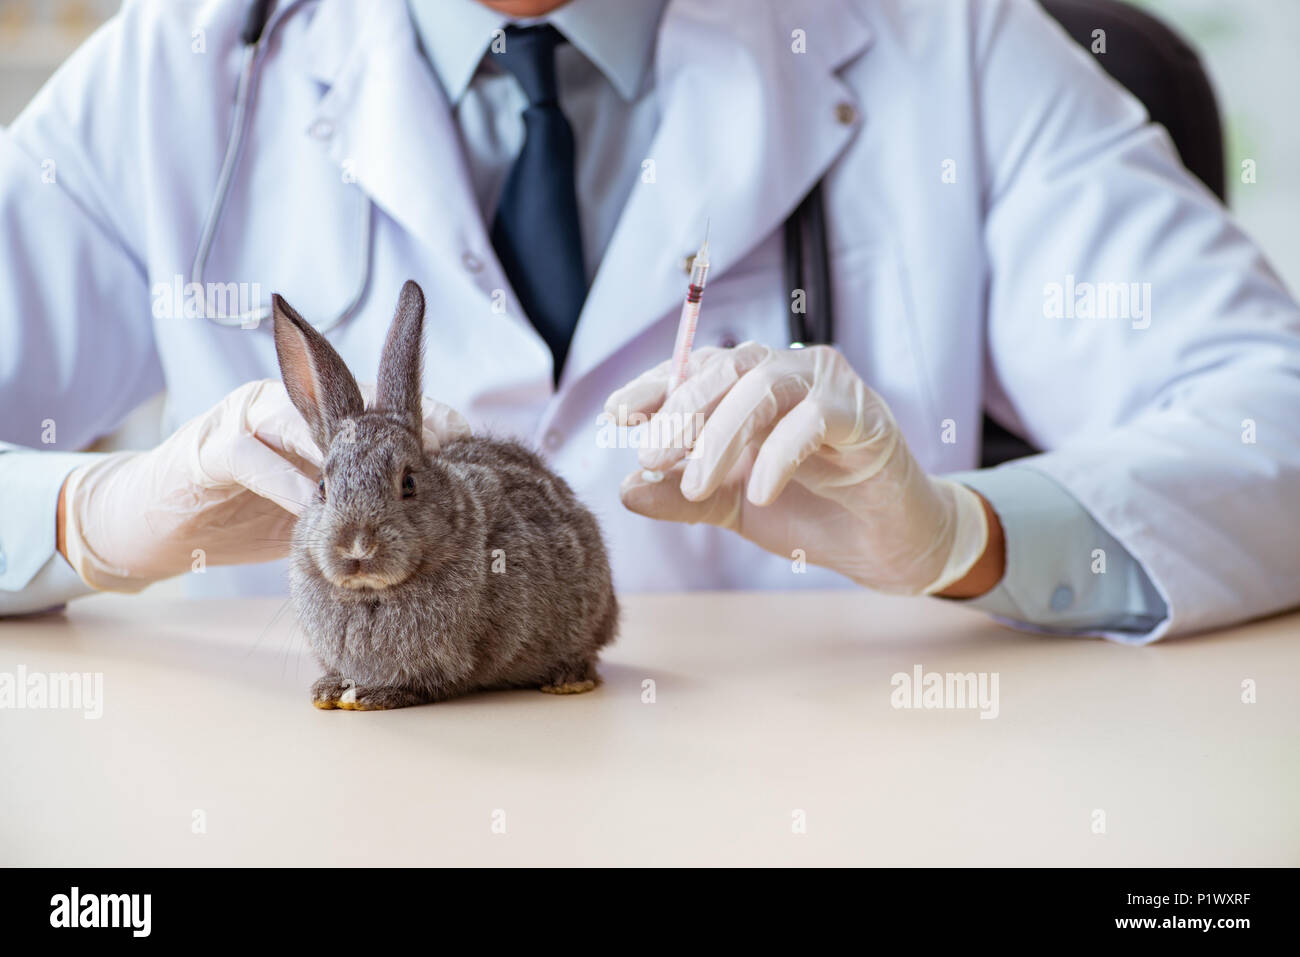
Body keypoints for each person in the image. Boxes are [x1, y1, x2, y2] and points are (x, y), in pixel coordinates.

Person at [1, 0, 1297, 645]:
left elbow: (1275, 409)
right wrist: (87, 521)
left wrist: (971, 534)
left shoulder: (944, 40)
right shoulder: (183, 75)